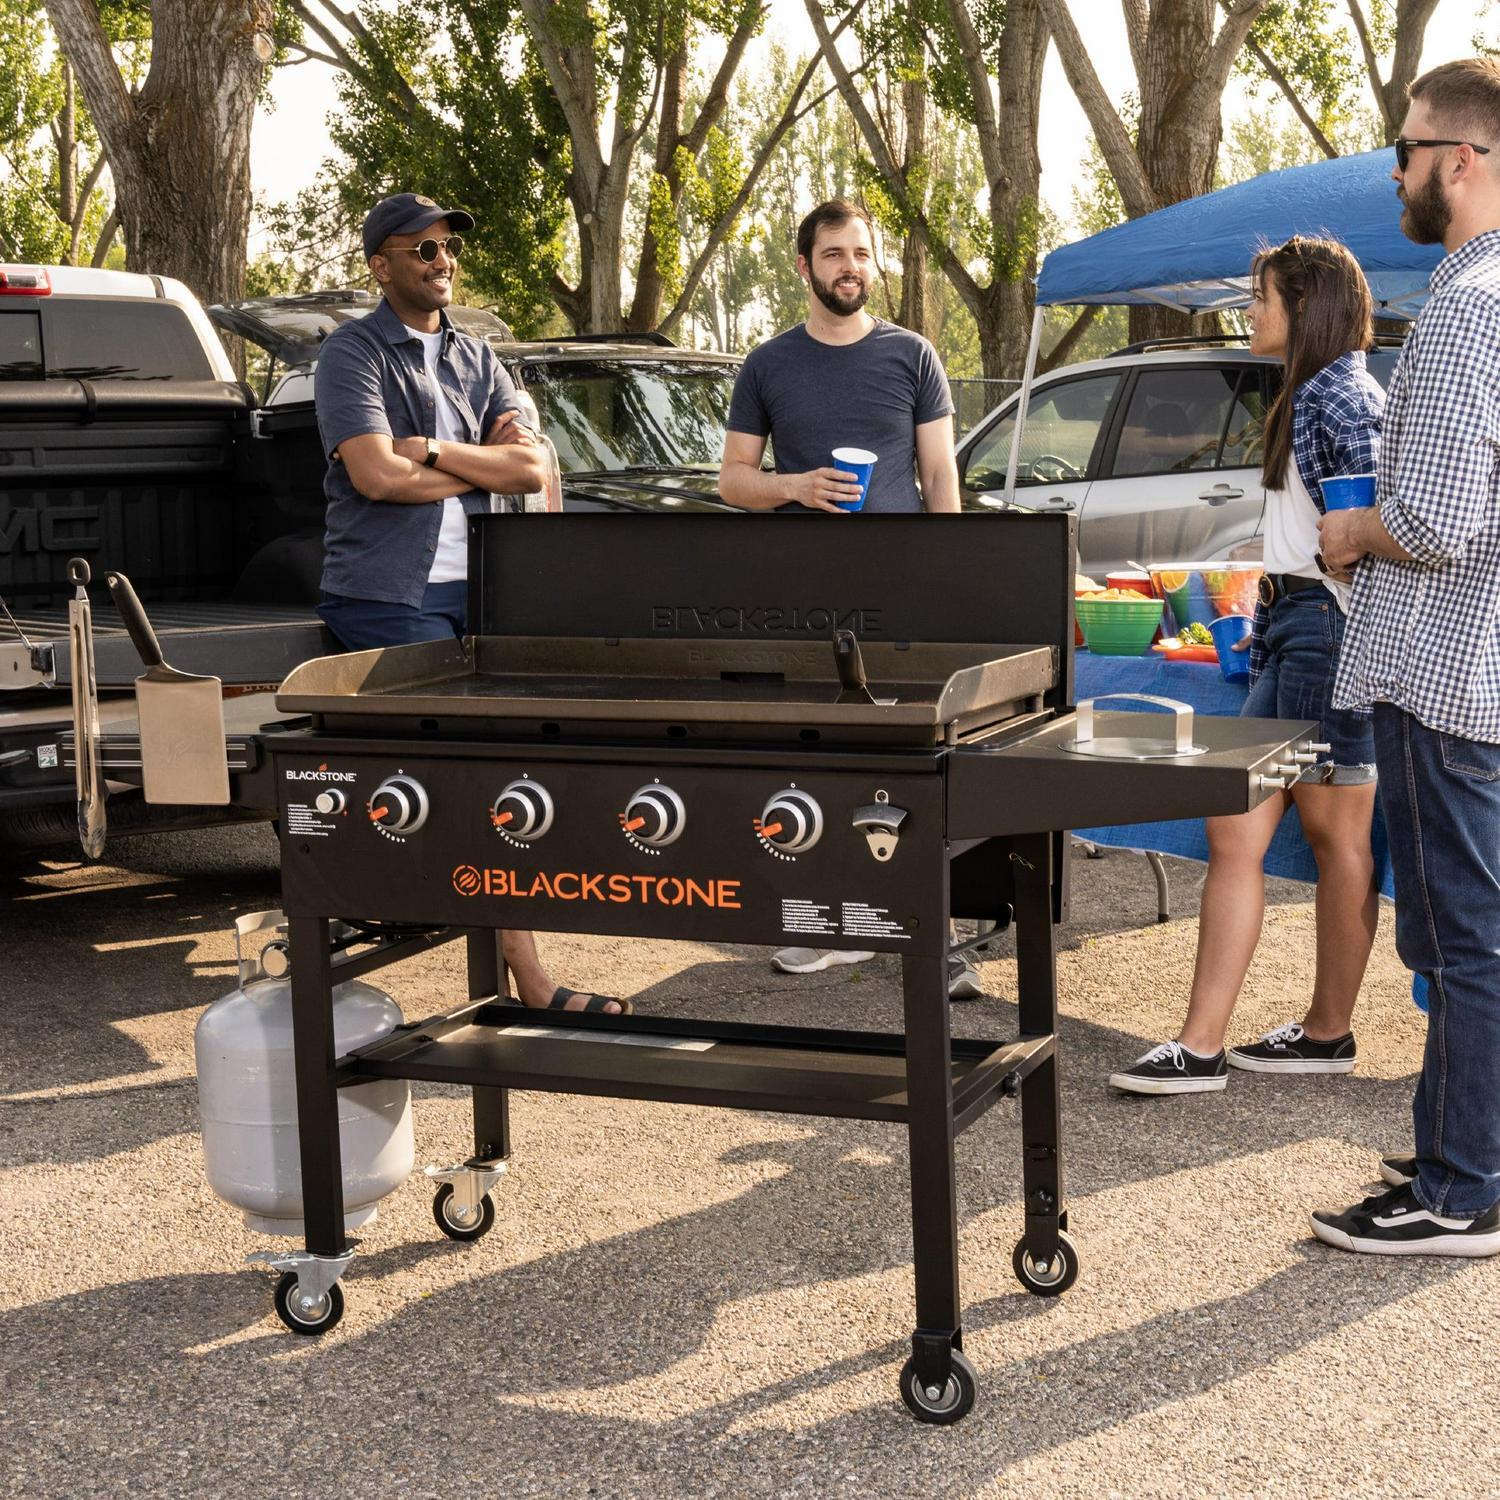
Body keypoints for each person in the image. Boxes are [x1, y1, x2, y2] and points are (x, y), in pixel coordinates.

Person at [313, 191, 630, 1017]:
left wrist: (429, 450)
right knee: (480, 766)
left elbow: (530, 470)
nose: (441, 260)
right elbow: (375, 477)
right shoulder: (351, 356)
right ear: (382, 264)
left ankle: (495, 956)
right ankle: (531, 982)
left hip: (481, 595)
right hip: (388, 597)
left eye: (448, 246)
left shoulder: (477, 356)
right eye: (422, 249)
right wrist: (466, 462)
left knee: (508, 767)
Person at [1109, 236, 1384, 1095]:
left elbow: (1370, 525)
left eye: (1260, 297)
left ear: (1304, 304)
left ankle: (1209, 1047)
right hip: (1301, 626)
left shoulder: (1336, 397)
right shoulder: (1320, 391)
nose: (1249, 312)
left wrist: (1334, 564)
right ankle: (1317, 1033)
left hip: (1320, 630)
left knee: (1275, 831)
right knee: (1313, 836)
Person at [1314, 58, 1500, 1255]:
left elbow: (1432, 522)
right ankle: (1463, 1146)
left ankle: (1459, 1190)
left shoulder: (1470, 306)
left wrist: (1349, 527)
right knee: (1472, 933)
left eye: (1410, 145)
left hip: (1439, 672)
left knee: (1460, 940)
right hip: (1473, 668)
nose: (1397, 168)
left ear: (1466, 160)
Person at [716, 198, 980, 998]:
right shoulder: (766, 364)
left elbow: (941, 478)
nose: (850, 268)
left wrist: (955, 574)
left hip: (903, 592)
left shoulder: (913, 355)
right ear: (805, 266)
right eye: (834, 254)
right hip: (804, 594)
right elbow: (730, 482)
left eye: (862, 254)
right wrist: (794, 486)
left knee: (923, 759)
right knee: (818, 758)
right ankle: (830, 920)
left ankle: (938, 935)